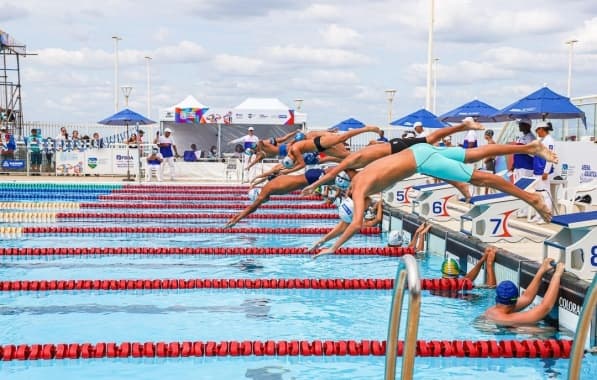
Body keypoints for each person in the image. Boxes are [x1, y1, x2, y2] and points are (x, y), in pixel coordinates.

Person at [312, 140, 557, 257]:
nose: (366, 209)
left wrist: (333, 249)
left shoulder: (362, 189)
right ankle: (529, 147)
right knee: (474, 153)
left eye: (362, 208)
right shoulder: (357, 183)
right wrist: (320, 241)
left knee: (482, 178)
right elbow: (346, 222)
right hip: (420, 151)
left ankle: (530, 198)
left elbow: (353, 224)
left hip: (422, 160)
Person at [301, 117, 484, 198]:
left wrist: (313, 185)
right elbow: (331, 166)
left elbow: (331, 174)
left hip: (396, 149)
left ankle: (463, 126)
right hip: (395, 151)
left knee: (433, 139)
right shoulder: (349, 158)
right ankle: (459, 184)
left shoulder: (348, 160)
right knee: (430, 161)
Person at [224, 167, 341, 228]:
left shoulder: (265, 191)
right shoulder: (267, 187)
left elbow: (252, 208)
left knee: (343, 175)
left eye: (261, 202)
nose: (263, 203)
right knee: (342, 175)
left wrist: (237, 219)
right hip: (309, 176)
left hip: (310, 178)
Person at [484, 258, 565, 326]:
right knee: (541, 330)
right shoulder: (507, 319)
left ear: (497, 298)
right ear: (515, 300)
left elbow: (527, 297)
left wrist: (542, 270)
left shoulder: (493, 310)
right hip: (507, 332)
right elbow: (545, 307)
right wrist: (557, 274)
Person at [282, 126, 382, 173]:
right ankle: (370, 145)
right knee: (349, 156)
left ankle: (368, 129)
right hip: (321, 149)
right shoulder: (291, 150)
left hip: (319, 142)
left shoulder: (295, 150)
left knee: (343, 138)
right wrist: (287, 169)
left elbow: (302, 164)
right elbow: (298, 163)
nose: (295, 160)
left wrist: (288, 171)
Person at [530, 123, 556, 224]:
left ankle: (546, 216)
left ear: (542, 129)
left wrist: (546, 171)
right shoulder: (541, 140)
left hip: (543, 171)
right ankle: (539, 215)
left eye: (537, 130)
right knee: (538, 194)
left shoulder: (549, 140)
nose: (536, 132)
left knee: (545, 194)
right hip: (537, 170)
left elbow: (550, 156)